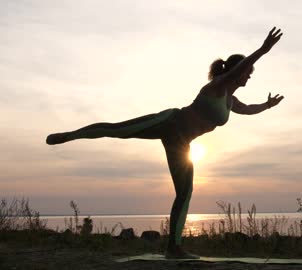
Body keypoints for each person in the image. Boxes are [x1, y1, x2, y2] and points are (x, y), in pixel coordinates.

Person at [46, 27, 284, 259]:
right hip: (170, 122)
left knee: (185, 191)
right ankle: (71, 135)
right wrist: (263, 50)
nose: (249, 75)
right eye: (247, 72)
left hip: (181, 143)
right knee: (119, 130)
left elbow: (249, 109)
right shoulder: (218, 86)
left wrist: (267, 105)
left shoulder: (230, 100)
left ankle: (174, 247)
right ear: (235, 71)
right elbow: (237, 70)